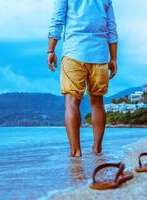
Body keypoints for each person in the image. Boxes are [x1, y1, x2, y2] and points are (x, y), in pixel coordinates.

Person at [47, 0, 118, 157]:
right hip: (99, 54)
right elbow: (111, 28)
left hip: (74, 53)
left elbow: (57, 21)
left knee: (72, 102)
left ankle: (76, 152)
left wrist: (51, 50)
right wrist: (113, 58)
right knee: (97, 102)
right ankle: (97, 150)